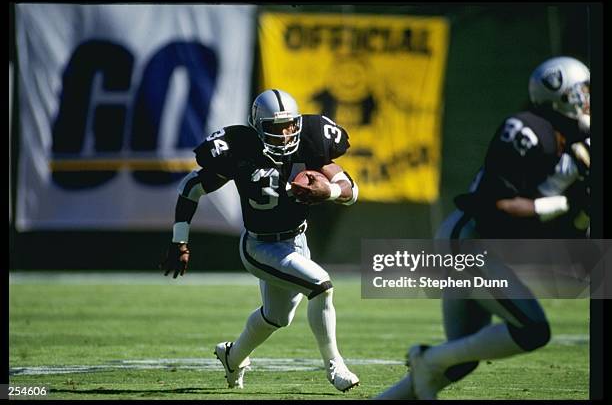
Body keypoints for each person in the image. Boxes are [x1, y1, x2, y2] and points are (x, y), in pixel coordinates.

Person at [376, 56, 590, 399]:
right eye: (584, 90)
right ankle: (426, 359)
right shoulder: (527, 130)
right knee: (532, 330)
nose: (589, 98)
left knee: (461, 359)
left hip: (476, 245)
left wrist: (580, 211)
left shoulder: (574, 141)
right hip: (468, 241)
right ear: (564, 94)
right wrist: (567, 203)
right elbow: (495, 206)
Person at [159, 89, 360, 392]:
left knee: (277, 317)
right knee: (321, 285)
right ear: (258, 127)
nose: (285, 134)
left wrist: (329, 192)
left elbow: (350, 188)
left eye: (290, 125)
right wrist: (179, 241)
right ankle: (335, 365)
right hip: (261, 246)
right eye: (276, 128)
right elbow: (192, 187)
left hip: (297, 242)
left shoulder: (311, 141)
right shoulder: (241, 149)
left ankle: (233, 355)